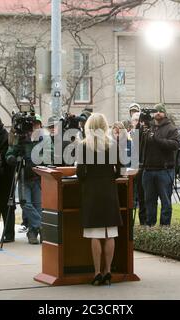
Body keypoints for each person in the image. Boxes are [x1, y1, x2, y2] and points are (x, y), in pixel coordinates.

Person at [76, 113, 122, 286]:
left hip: (92, 192)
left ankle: (96, 272)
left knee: (94, 234)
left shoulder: (84, 145)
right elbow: (119, 170)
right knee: (110, 233)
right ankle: (108, 270)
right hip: (109, 190)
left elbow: (80, 173)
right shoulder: (112, 144)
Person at [6, 114, 50, 244]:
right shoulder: (20, 138)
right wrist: (12, 159)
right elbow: (9, 154)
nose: (34, 127)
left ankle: (33, 232)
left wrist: (40, 162)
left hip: (38, 176)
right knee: (26, 204)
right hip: (24, 176)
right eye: (32, 124)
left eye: (37, 124)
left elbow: (50, 154)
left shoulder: (44, 138)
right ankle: (42, 226)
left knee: (38, 206)